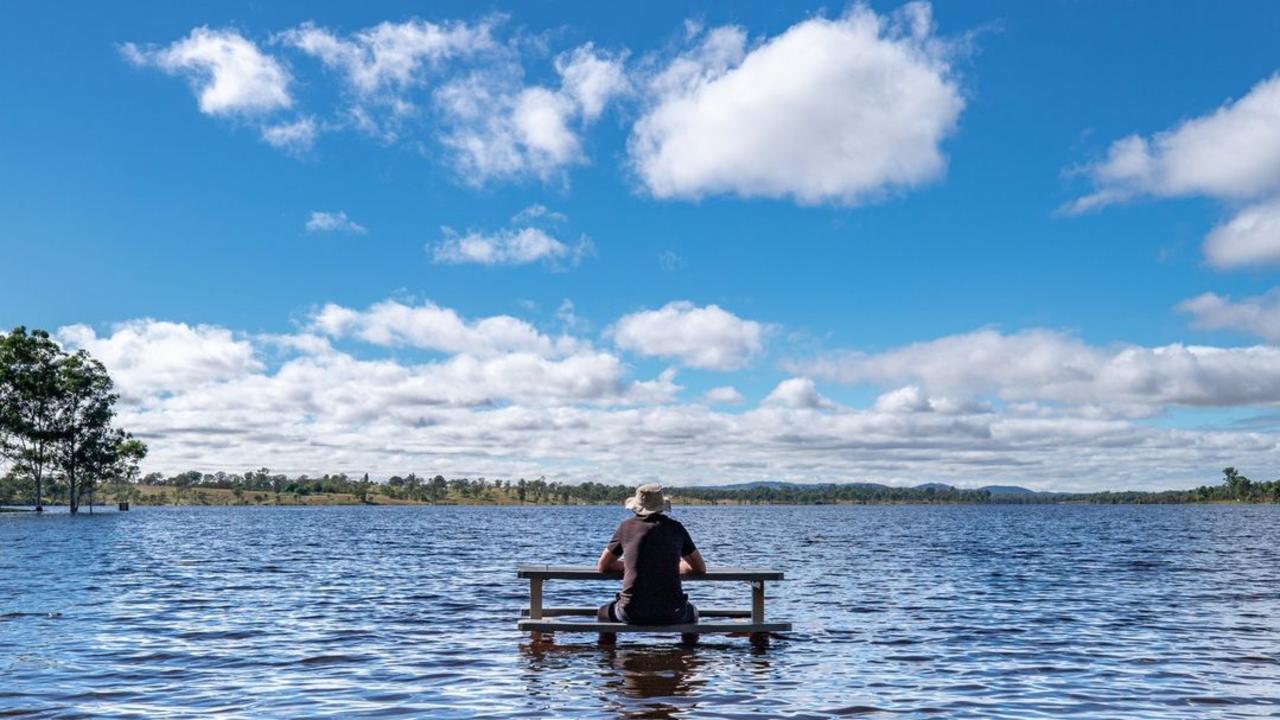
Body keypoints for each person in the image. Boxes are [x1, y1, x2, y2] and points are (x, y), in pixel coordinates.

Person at [596, 484, 706, 625]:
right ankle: (688, 647)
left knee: (603, 612)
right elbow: (700, 568)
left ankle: (608, 647)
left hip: (631, 612)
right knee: (693, 612)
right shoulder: (676, 528)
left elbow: (603, 566)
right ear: (661, 506)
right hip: (673, 612)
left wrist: (631, 565)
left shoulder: (626, 527)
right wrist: (671, 566)